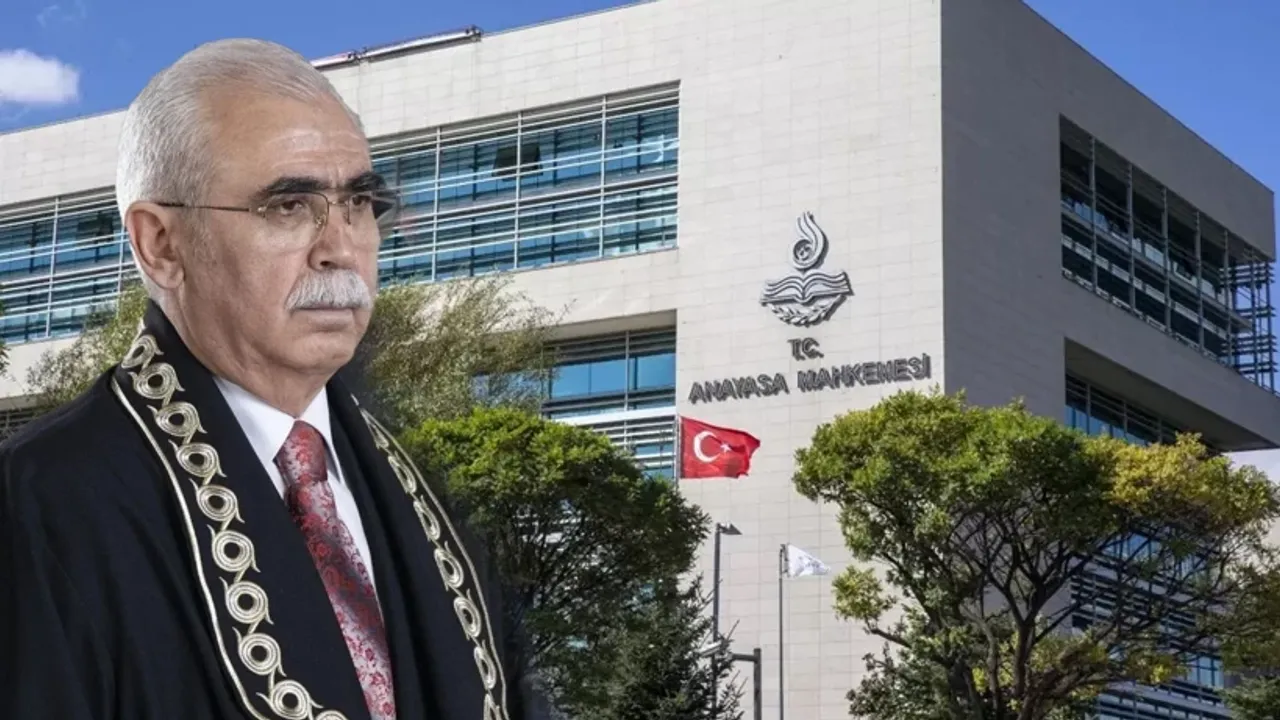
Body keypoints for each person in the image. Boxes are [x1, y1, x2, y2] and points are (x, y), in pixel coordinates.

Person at [0, 39, 544, 720]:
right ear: (161, 245)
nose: (340, 248)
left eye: (359, 202)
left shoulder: (422, 495)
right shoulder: (40, 504)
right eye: (289, 206)